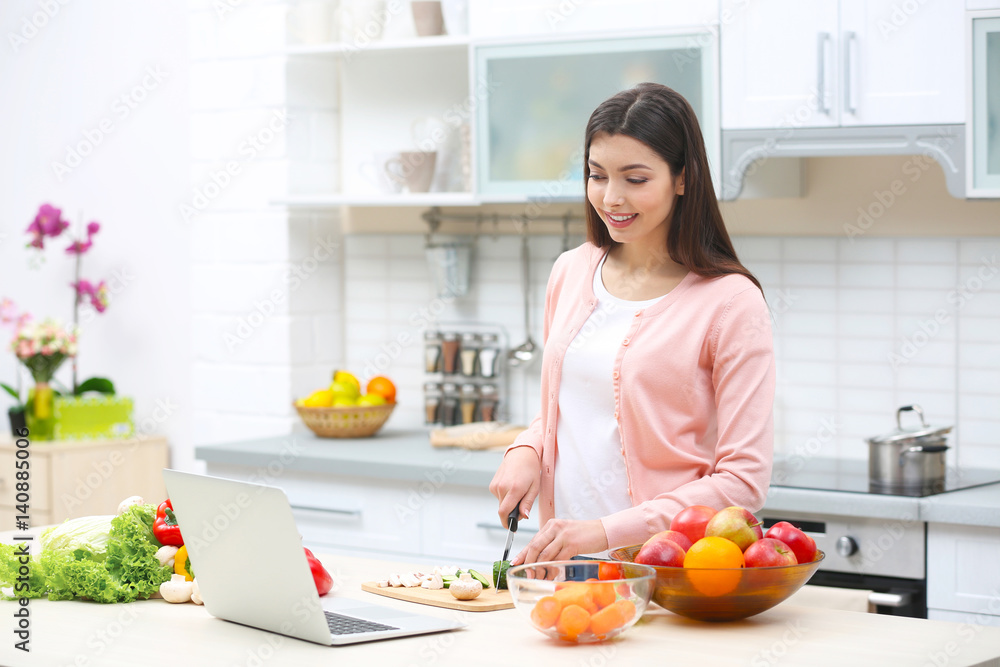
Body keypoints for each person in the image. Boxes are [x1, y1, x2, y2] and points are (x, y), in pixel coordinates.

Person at [489, 82, 775, 565]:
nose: (612, 197)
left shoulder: (730, 303)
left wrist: (603, 533)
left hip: (668, 573)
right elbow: (570, 404)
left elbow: (742, 483)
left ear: (682, 179)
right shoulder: (571, 271)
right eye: (597, 175)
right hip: (563, 568)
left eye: (635, 179)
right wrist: (526, 448)